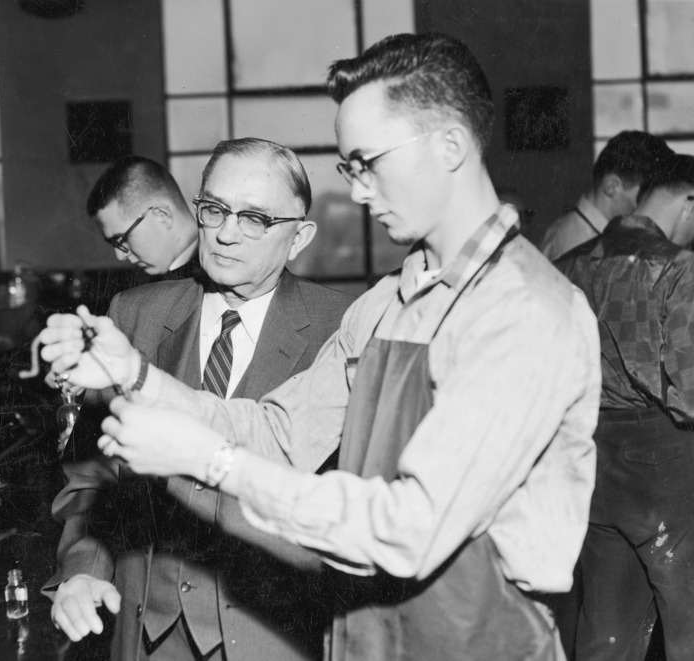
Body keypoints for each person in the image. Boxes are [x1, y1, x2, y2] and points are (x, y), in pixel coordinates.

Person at [40, 33, 601, 660]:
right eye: (349, 168)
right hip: (363, 636)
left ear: (450, 145)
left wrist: (213, 461)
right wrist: (138, 374)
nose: (358, 191)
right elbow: (280, 431)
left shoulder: (524, 309)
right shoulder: (387, 302)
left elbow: (408, 528)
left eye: (369, 162)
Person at [44, 137, 355, 661]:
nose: (227, 234)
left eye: (255, 218)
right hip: (145, 632)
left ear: (299, 237)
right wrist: (80, 572)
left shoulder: (341, 328)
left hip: (276, 637)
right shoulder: (135, 314)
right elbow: (92, 478)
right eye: (214, 209)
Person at [554, 153, 694, 661]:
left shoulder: (566, 267)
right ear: (689, 201)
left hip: (594, 465)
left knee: (606, 630)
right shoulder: (679, 268)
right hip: (668, 468)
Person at [79, 156, 201, 316]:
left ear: (162, 215)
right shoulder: (146, 290)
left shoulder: (221, 276)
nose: (120, 255)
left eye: (122, 239)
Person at [540, 131, 673, 261]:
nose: (654, 203)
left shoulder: (600, 235)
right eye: (647, 194)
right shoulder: (574, 244)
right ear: (611, 187)